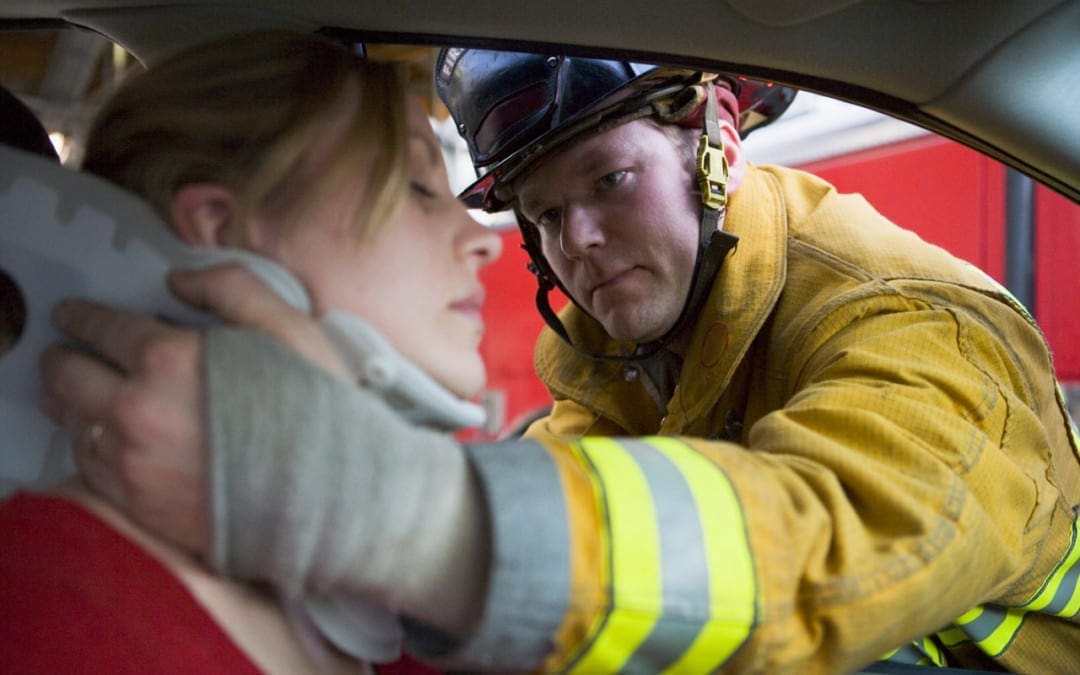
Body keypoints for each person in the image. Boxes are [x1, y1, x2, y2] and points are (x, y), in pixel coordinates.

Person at [38, 47, 1080, 674]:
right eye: (541, 212)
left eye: (611, 181)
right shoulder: (618, 352)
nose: (569, 241)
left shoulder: (908, 322)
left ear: (715, 134)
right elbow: (592, 517)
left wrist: (391, 508)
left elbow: (826, 551)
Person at [3, 31, 503, 673]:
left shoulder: (390, 622)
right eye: (417, 186)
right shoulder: (48, 612)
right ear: (221, 231)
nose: (481, 239)